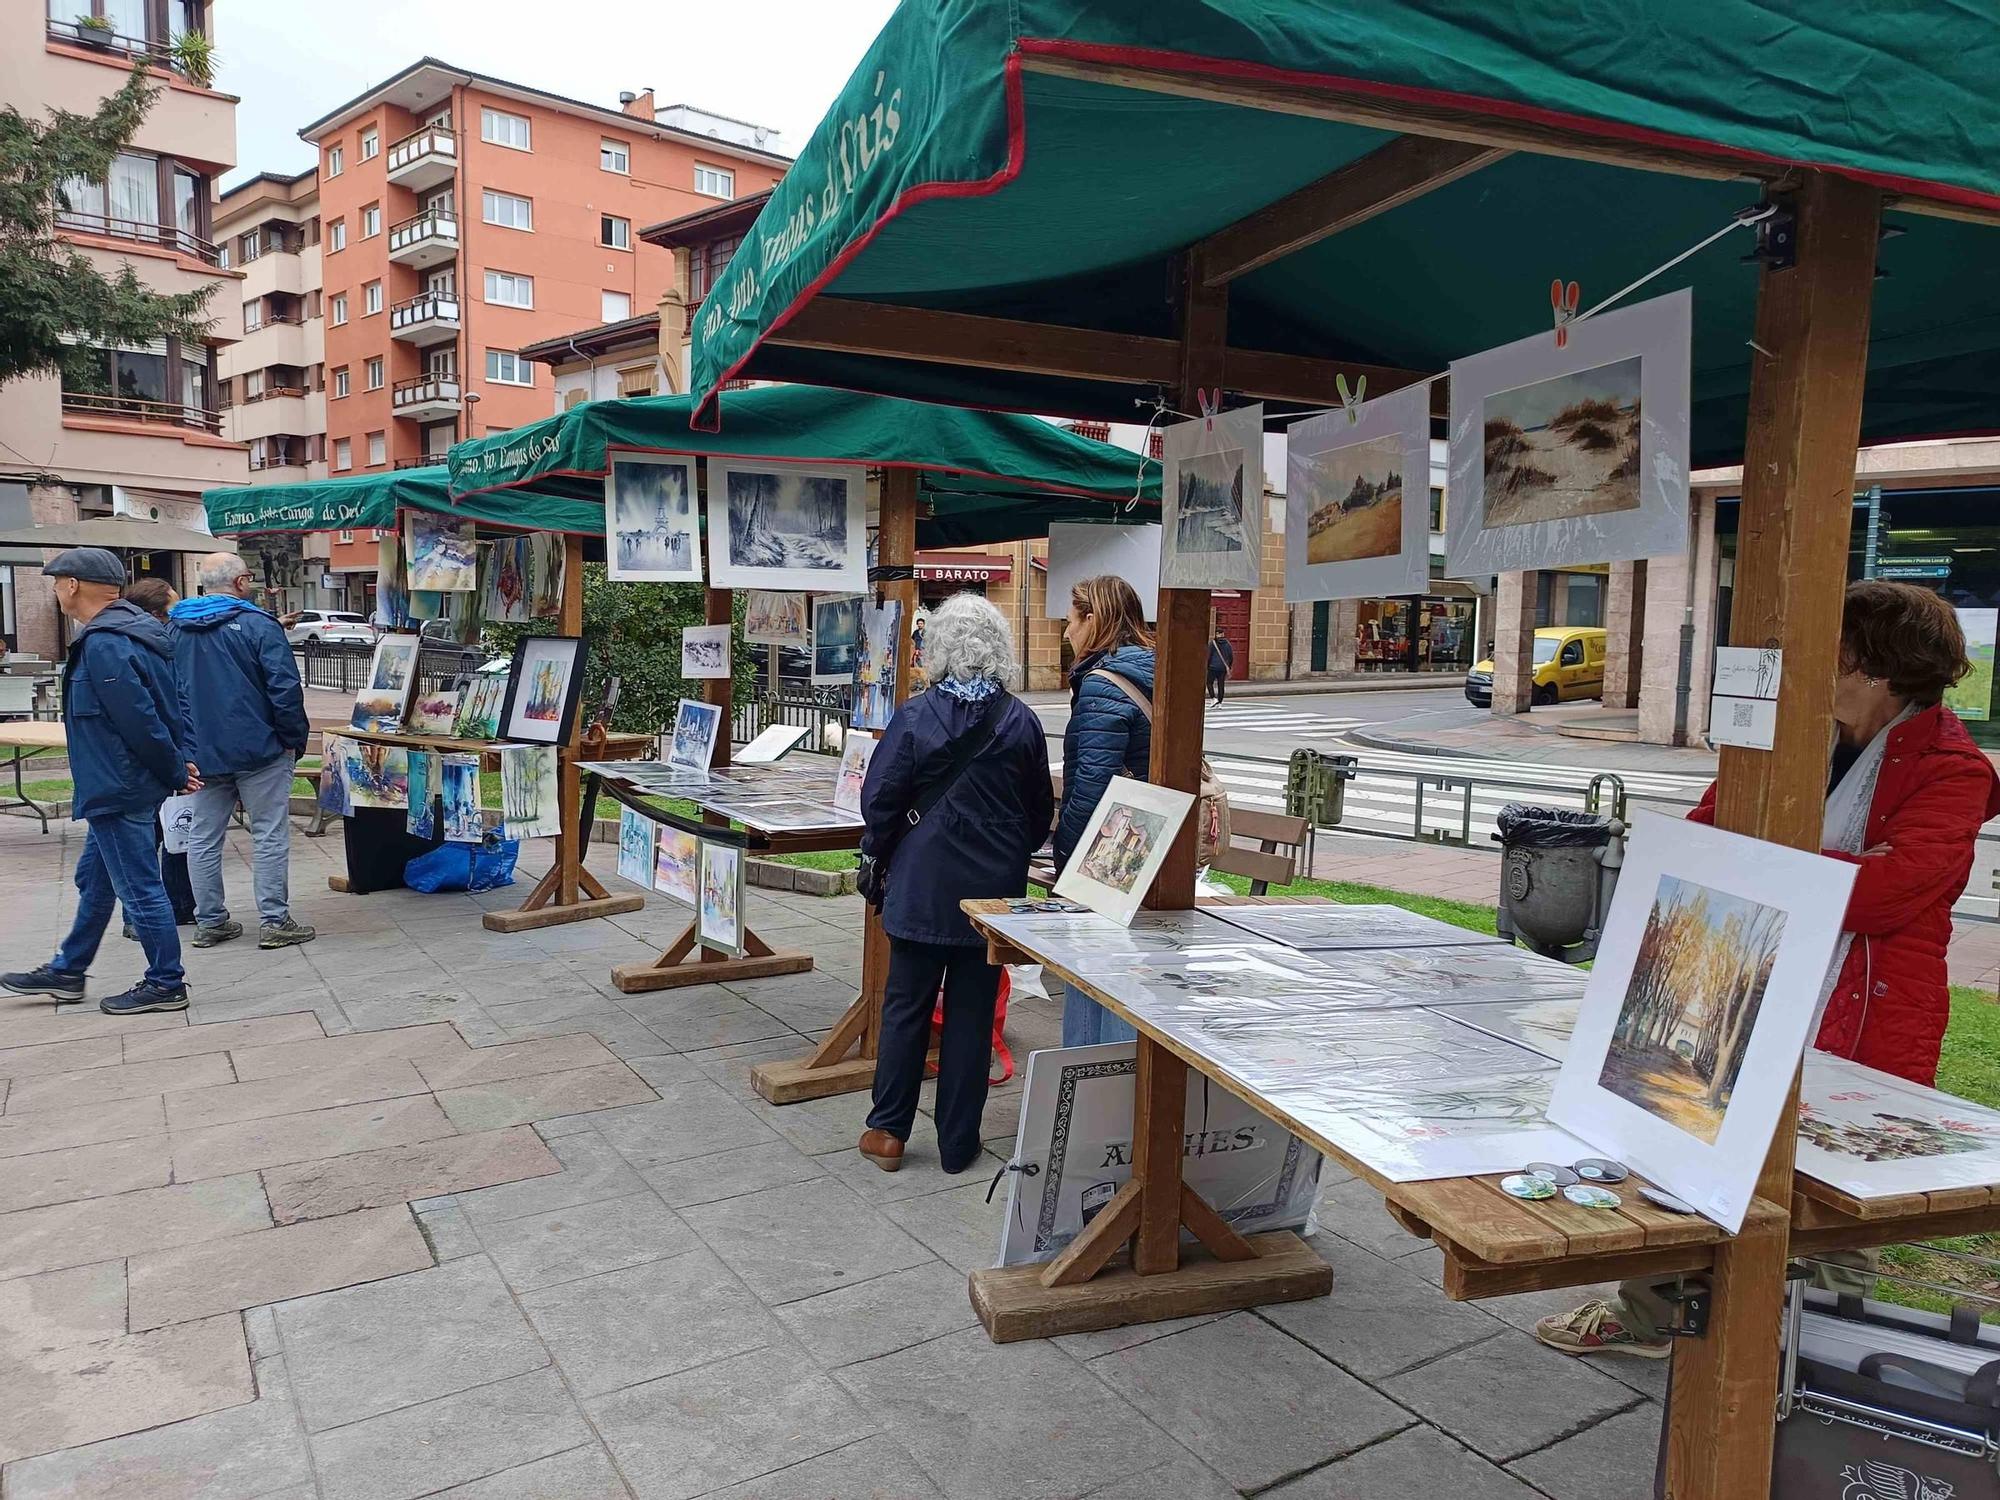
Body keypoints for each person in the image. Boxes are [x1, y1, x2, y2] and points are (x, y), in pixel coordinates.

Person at [1537, 580, 2000, 1360]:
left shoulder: (1952, 768)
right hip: (1734, 989)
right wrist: (1818, 870)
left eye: (1832, 647)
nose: (1810, 662)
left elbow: (1884, 896)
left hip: (1863, 1015)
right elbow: (1703, 839)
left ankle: (1815, 1355)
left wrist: (1772, 868)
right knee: (1680, 1152)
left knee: (1832, 1195)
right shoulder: (1788, 738)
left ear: (1876, 666)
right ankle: (1652, 1315)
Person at [856, 593, 1052, 1174]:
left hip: (920, 886)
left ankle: (888, 1132)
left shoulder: (916, 716)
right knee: (972, 1015)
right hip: (990, 896)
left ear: (939, 648)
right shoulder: (1021, 722)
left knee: (906, 1008)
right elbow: (1039, 814)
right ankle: (957, 1144)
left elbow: (879, 801)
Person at [1, 549, 197, 1014]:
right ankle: (68, 969)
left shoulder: (108, 641)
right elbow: (170, 705)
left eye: (55, 583)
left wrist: (173, 767)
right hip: (123, 781)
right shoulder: (133, 630)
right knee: (97, 879)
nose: (55, 591)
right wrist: (174, 763)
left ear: (71, 585)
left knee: (139, 887)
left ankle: (166, 982)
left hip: (119, 785)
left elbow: (140, 718)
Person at [171, 552, 315, 949]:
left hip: (202, 752)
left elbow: (167, 692)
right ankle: (274, 920)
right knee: (268, 833)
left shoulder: (175, 628)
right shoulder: (257, 624)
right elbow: (284, 689)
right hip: (260, 747)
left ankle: (211, 920)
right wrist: (292, 739)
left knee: (203, 836)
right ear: (240, 582)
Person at [1055, 576, 1155, 1046]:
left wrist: (1065, 860)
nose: (1066, 633)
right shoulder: (1152, 668)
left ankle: (1094, 1078)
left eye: (1071, 621)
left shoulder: (1102, 685)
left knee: (1098, 970)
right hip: (1153, 841)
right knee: (1129, 970)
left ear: (1094, 619)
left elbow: (1092, 789)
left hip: (1112, 857)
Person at [121, 578, 197, 932]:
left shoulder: (153, 645)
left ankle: (154, 912)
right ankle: (143, 917)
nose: (177, 618)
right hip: (145, 763)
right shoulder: (141, 649)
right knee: (151, 839)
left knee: (161, 835)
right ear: (154, 615)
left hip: (157, 758)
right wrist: (176, 760)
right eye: (172, 611)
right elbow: (153, 713)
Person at [1207, 630, 1233, 705]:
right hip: (1223, 668)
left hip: (1213, 667)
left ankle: (1213, 698)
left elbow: (1209, 656)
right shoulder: (1227, 644)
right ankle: (1220, 703)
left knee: (1209, 682)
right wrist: (1229, 666)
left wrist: (1208, 666)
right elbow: (1231, 656)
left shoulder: (1212, 643)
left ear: (1216, 634)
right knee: (1221, 684)